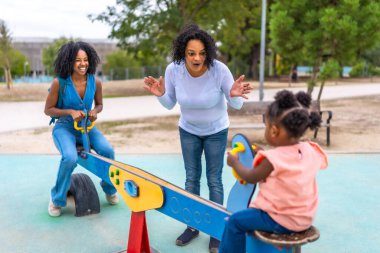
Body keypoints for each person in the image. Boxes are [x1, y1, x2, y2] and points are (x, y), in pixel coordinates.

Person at [144, 24, 252, 253]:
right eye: (191, 53)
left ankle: (215, 229)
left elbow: (237, 104)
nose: (197, 58)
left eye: (202, 53)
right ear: (183, 52)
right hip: (189, 130)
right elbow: (170, 103)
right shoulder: (174, 70)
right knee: (191, 179)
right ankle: (192, 226)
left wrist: (233, 96)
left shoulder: (219, 70)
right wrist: (160, 95)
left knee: (214, 180)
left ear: (209, 53)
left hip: (216, 131)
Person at [219, 90, 328, 253]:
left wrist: (234, 163)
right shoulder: (310, 149)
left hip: (280, 219)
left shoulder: (271, 160)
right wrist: (265, 154)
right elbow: (288, 159)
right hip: (304, 218)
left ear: (274, 130)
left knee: (234, 222)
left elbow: (250, 177)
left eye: (267, 125)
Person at [44, 41, 118, 217]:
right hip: (64, 128)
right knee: (70, 157)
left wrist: (94, 111)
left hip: (87, 127)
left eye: (85, 60)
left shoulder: (95, 82)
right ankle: (57, 198)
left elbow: (100, 105)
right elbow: (48, 110)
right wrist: (70, 112)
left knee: (108, 150)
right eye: (77, 60)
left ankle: (109, 188)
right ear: (69, 61)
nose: (82, 64)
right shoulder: (59, 83)